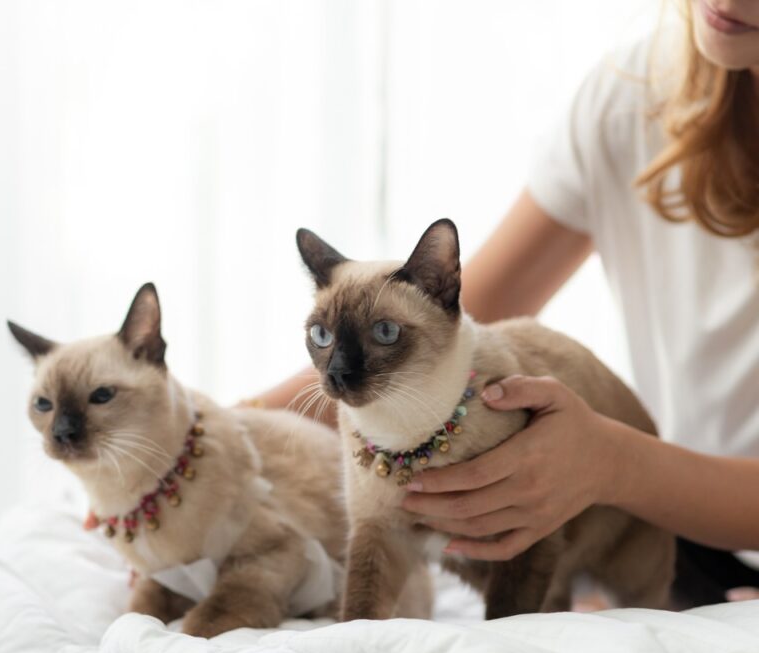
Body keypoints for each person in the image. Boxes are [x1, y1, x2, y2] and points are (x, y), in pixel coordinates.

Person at [252, 0, 759, 607]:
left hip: (654, 522)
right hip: (683, 531)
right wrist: (220, 433)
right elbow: (451, 318)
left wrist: (611, 464)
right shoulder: (636, 90)